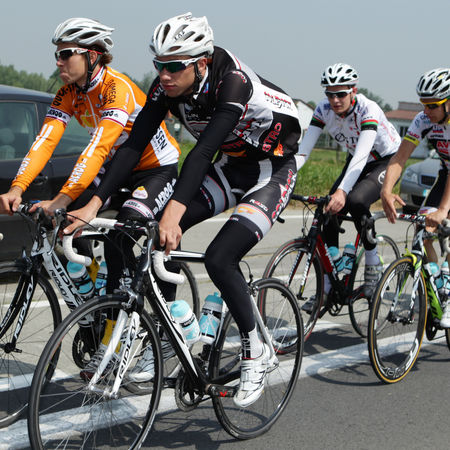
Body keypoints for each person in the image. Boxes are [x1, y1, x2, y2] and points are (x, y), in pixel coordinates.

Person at [64, 12, 301, 407]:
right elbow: (133, 145)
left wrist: (174, 212)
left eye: (174, 66)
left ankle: (256, 349)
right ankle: (168, 336)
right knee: (157, 236)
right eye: (158, 65)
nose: (164, 75)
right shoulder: (166, 86)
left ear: (201, 63)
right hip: (231, 168)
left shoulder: (232, 82)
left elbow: (202, 151)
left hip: (271, 172)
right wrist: (93, 204)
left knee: (220, 258)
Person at [0, 18, 180, 378]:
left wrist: (63, 199)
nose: (58, 61)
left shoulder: (117, 89)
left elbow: (96, 149)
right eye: (57, 54)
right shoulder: (69, 93)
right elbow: (45, 141)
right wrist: (17, 187)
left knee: (119, 237)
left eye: (66, 54)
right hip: (118, 169)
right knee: (66, 226)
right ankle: (98, 298)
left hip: (154, 169)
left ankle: (131, 337)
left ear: (93, 55)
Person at [296, 63, 401, 304]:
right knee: (328, 208)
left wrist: (343, 191)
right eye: (329, 94)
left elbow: (363, 154)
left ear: (353, 90)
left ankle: (373, 265)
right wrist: (285, 178)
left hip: (385, 160)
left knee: (355, 200)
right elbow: (303, 151)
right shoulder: (323, 109)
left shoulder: (368, 108)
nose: (335, 100)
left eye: (341, 94)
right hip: (357, 160)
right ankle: (330, 282)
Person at [381, 68, 450, 328]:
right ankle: (438, 283)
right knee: (423, 228)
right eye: (424, 104)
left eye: (433, 105)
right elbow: (400, 157)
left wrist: (443, 210)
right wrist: (386, 190)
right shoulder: (423, 120)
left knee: (445, 219)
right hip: (446, 173)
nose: (427, 110)